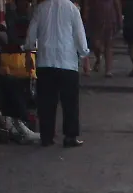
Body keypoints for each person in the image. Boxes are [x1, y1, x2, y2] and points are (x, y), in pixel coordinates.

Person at [26, 0, 90, 147]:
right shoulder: (73, 9)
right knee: (70, 102)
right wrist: (84, 55)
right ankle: (70, 137)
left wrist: (29, 52)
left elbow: (31, 33)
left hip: (45, 61)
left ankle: (46, 137)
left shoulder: (40, 8)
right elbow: (79, 34)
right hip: (67, 62)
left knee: (46, 102)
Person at [86, 0, 122, 76]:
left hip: (110, 18)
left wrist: (119, 19)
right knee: (96, 43)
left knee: (108, 45)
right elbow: (87, 4)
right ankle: (98, 59)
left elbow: (116, 3)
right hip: (95, 19)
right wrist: (85, 16)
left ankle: (108, 70)